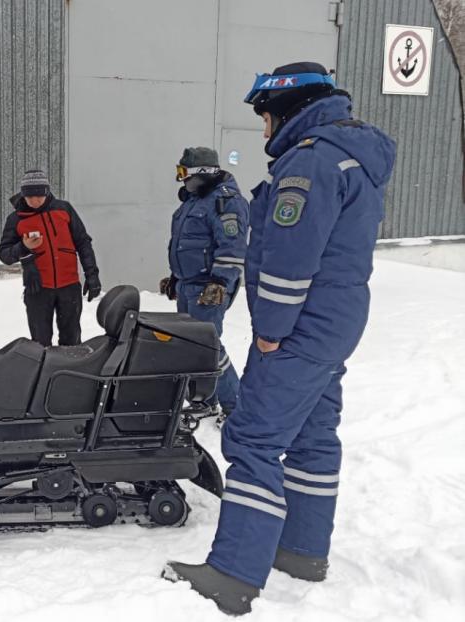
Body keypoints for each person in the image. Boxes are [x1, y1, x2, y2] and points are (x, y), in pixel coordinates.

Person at [163, 62, 396, 614]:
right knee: (314, 435)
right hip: (337, 319)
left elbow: (290, 262)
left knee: (254, 438)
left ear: (287, 108)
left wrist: (270, 331)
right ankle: (301, 550)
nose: (264, 131)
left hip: (303, 323)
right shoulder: (352, 156)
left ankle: (234, 573)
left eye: (265, 118)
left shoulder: (311, 161)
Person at [160, 147, 248, 420]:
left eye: (184, 173)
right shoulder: (193, 201)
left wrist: (220, 281)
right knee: (190, 347)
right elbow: (188, 245)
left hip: (210, 287)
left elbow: (232, 246)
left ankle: (236, 409)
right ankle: (204, 401)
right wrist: (177, 277)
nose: (181, 180)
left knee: (209, 348)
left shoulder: (225, 202)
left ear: (203, 174)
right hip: (190, 284)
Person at [0, 169, 101, 346]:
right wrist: (24, 247)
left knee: (71, 340)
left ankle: (70, 372)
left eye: (39, 196)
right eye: (30, 197)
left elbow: (83, 242)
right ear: (23, 195)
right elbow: (4, 255)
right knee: (40, 344)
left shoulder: (64, 209)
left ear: (47, 191)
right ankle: (45, 373)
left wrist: (92, 274)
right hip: (38, 289)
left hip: (69, 286)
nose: (35, 201)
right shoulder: (16, 219)